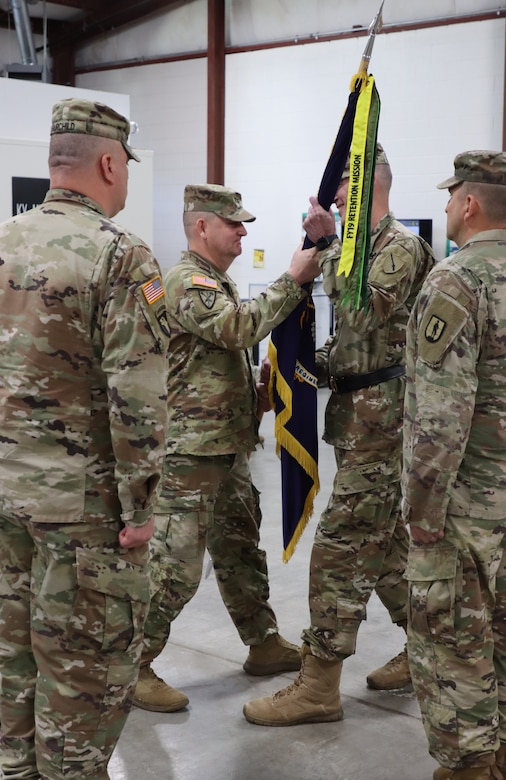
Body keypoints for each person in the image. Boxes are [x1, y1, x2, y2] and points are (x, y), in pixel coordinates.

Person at [0, 98, 170, 780]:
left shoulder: (5, 238)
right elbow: (138, 397)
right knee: (81, 676)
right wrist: (143, 509)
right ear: (107, 163)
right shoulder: (120, 256)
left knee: (12, 664)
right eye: (123, 165)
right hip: (83, 511)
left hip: (7, 495)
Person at [243, 142, 436, 727]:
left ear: (367, 186)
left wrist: (326, 246)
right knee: (382, 551)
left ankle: (319, 685)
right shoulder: (361, 249)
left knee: (339, 550)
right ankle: (427, 649)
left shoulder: (399, 247)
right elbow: (352, 341)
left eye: (343, 180)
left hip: (385, 423)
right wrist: (310, 365)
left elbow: (362, 313)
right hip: (359, 419)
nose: (332, 192)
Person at [132, 182, 322, 712]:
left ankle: (262, 645)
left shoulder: (216, 280)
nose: (242, 232)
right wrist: (292, 280)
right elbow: (237, 329)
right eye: (234, 223)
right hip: (192, 454)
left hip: (227, 445)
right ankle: (134, 666)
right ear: (202, 227)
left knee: (239, 551)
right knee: (174, 564)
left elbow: (205, 364)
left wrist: (257, 398)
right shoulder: (186, 282)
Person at [402, 150, 506, 780]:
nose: (447, 206)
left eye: (452, 197)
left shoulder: (458, 281)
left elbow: (440, 417)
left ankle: (469, 763)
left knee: (450, 636)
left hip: (464, 504)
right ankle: (502, 749)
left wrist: (422, 513)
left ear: (469, 204)